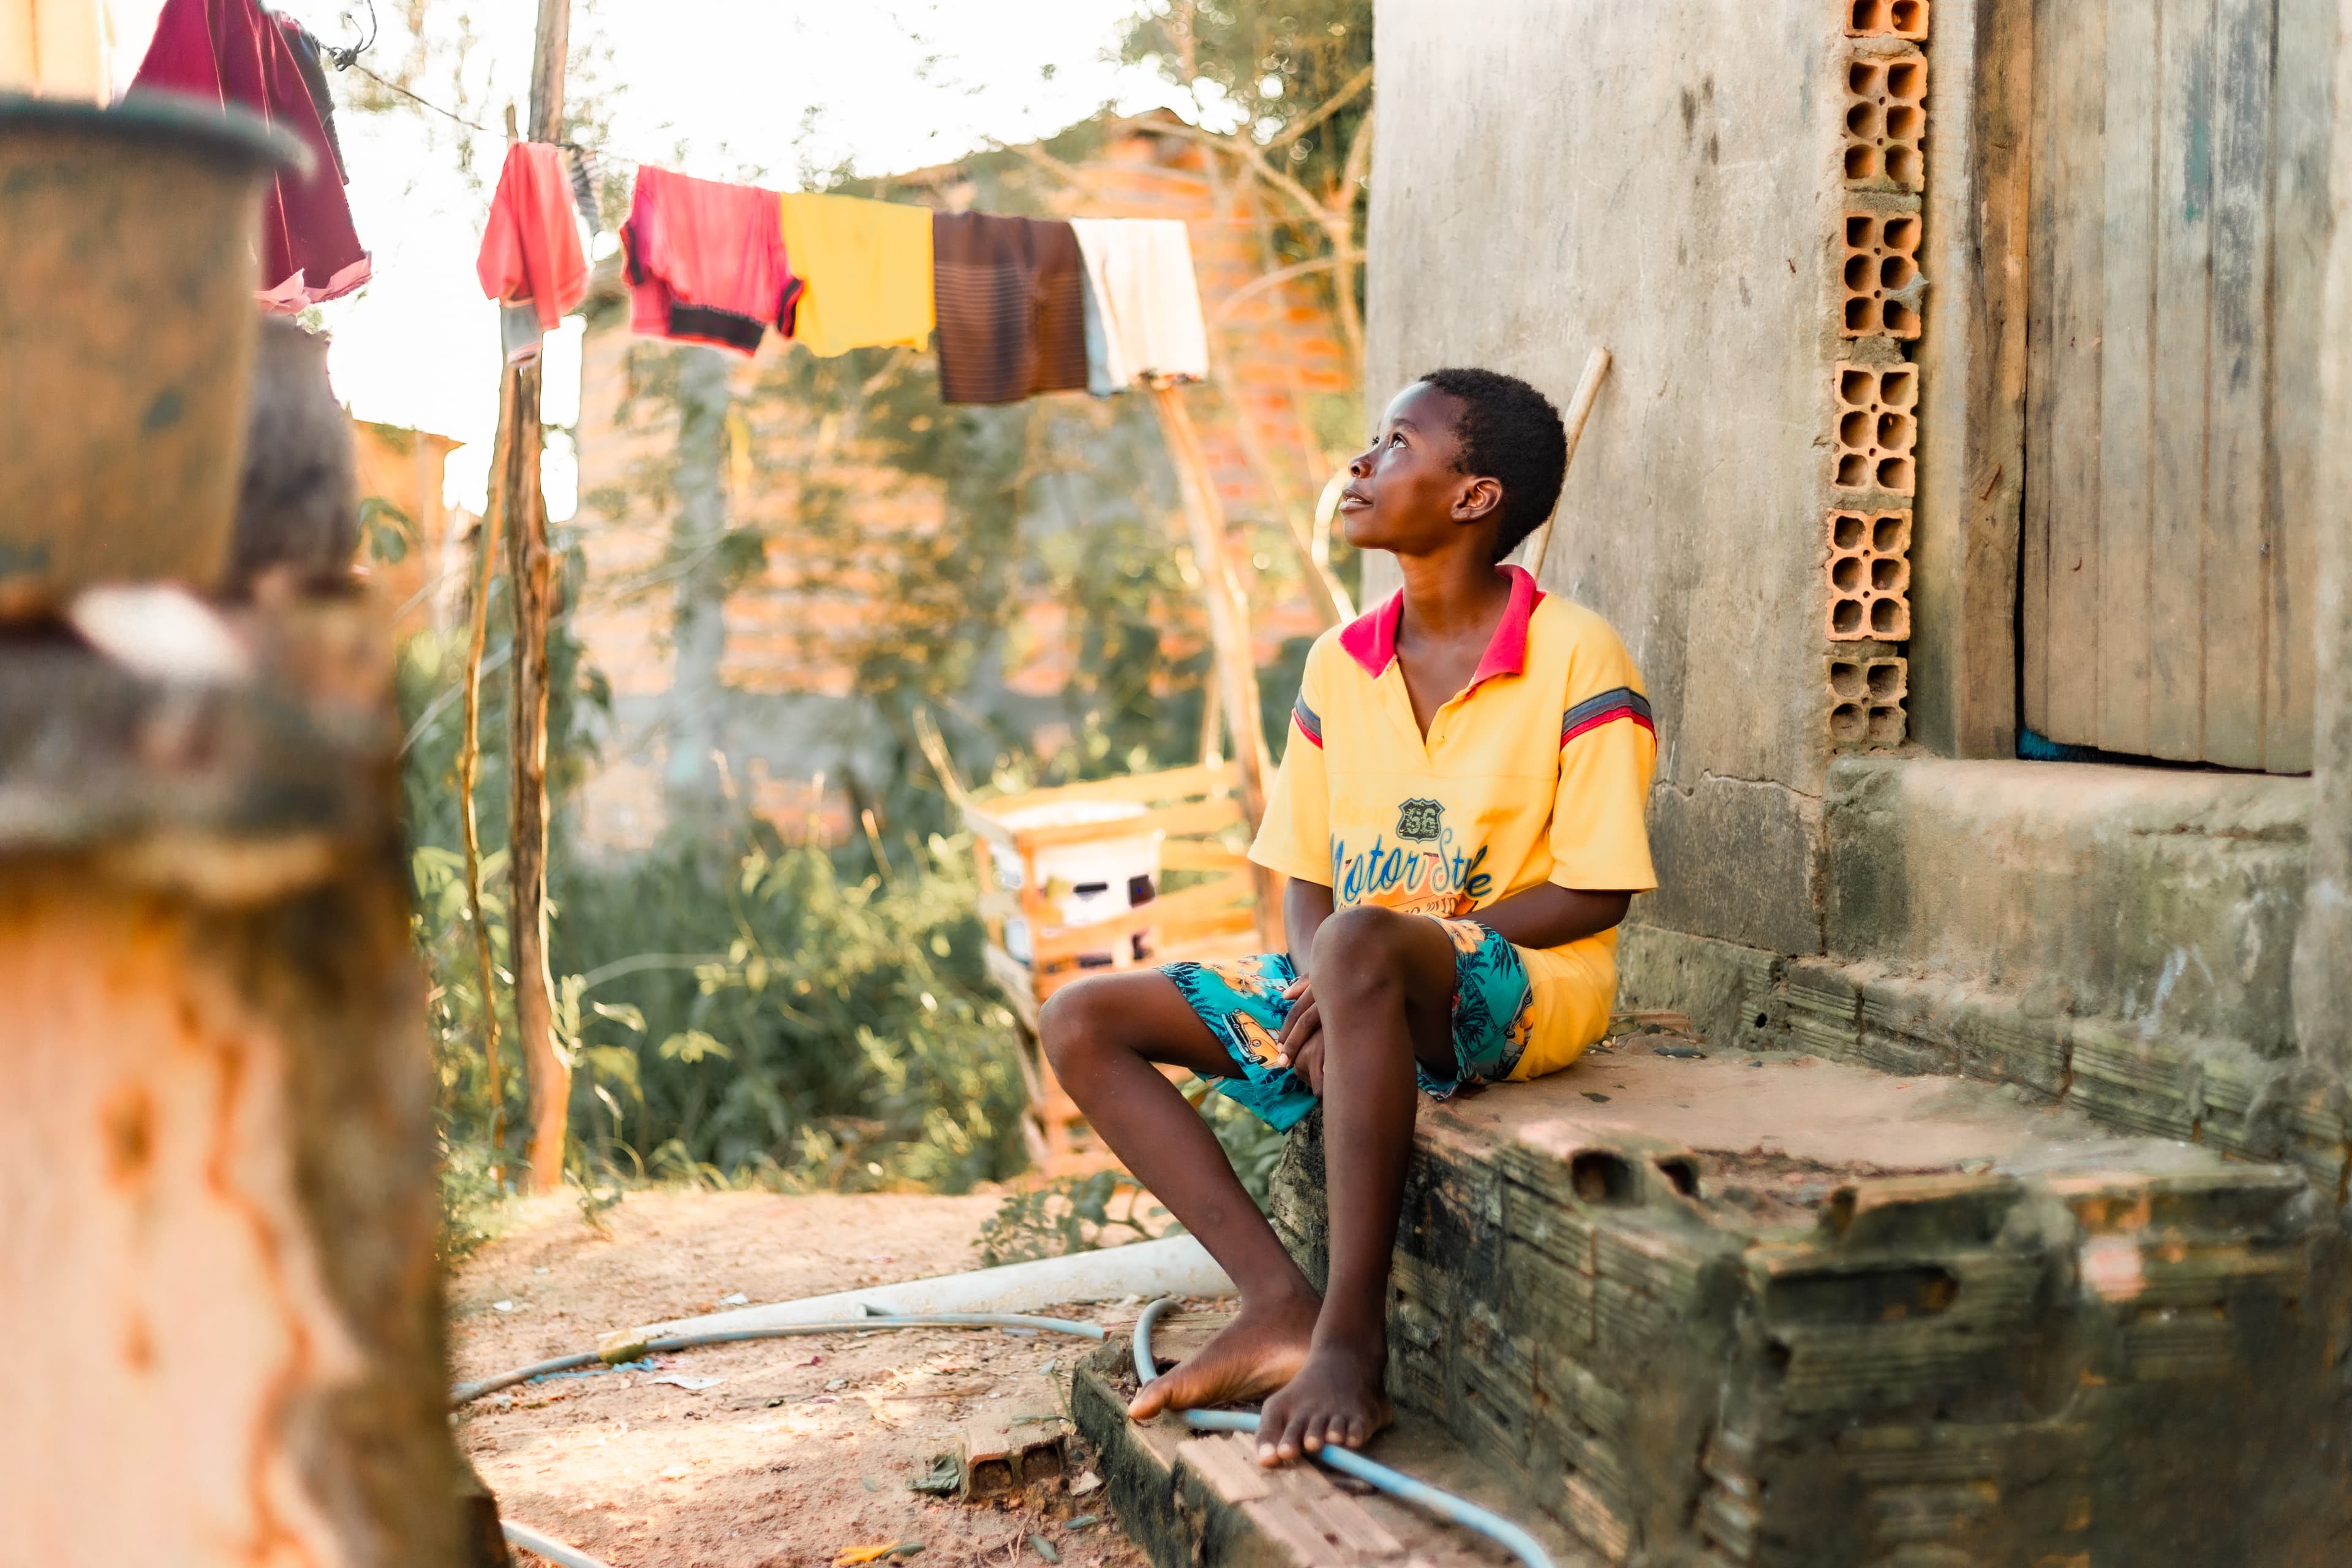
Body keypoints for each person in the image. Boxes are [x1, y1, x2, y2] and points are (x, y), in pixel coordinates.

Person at [1039, 368, 1659, 1468]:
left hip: (1527, 984)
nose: (1360, 464)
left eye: (1396, 443)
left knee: (1367, 937)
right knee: (1085, 1017)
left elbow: (1595, 890)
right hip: (1357, 976)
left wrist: (1363, 962)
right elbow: (1303, 877)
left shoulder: (1578, 655)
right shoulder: (1341, 661)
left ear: (1473, 498)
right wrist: (1326, 981)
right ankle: (1275, 1299)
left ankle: (1349, 1340)